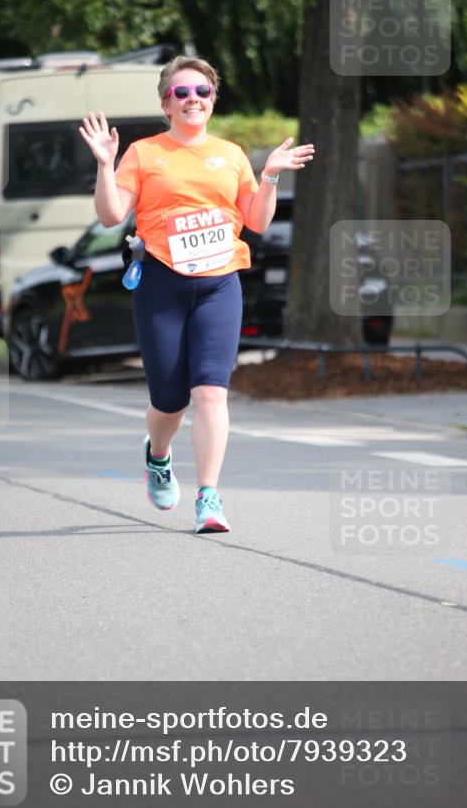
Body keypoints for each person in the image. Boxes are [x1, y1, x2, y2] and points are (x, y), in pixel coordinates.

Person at [79, 56, 314, 534]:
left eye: (202, 92)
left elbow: (257, 220)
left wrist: (270, 175)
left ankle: (209, 497)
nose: (193, 100)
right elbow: (110, 215)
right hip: (161, 284)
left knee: (210, 391)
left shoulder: (231, 155)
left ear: (213, 100)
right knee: (170, 401)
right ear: (166, 103)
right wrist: (105, 165)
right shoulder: (144, 153)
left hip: (219, 284)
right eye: (182, 92)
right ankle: (158, 454)